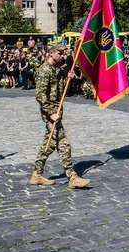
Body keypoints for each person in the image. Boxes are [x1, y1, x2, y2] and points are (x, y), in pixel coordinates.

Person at [30, 41, 90, 189]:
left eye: (63, 52)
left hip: (57, 110)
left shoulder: (57, 69)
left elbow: (60, 89)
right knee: (61, 144)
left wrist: (67, 77)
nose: (62, 55)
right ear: (51, 52)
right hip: (51, 113)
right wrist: (51, 113)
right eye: (59, 52)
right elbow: (40, 96)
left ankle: (37, 174)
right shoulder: (44, 71)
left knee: (51, 145)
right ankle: (72, 176)